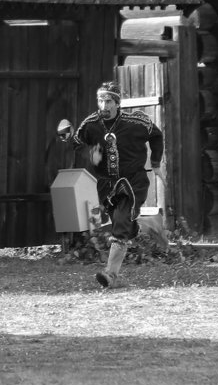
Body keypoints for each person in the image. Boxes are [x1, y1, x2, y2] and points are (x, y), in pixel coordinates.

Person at [62, 80, 164, 288]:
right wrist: (81, 147)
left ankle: (111, 275)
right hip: (106, 185)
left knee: (120, 220)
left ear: (118, 103)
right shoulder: (90, 124)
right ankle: (147, 225)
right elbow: (77, 142)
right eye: (101, 100)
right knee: (120, 223)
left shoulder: (136, 122)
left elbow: (156, 135)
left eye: (109, 101)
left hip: (133, 181)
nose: (104, 105)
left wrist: (155, 163)